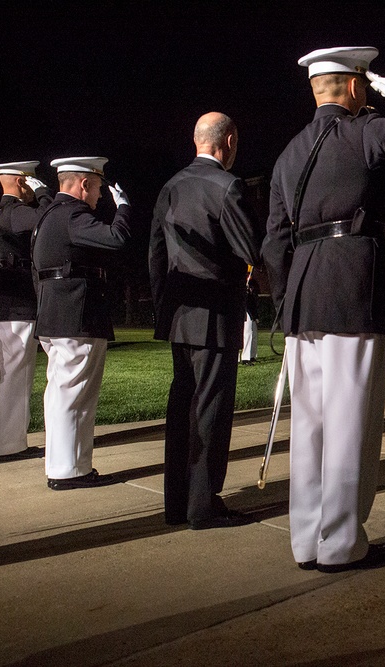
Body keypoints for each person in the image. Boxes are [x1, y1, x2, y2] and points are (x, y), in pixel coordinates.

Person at [262, 46, 385, 572]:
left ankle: (307, 540)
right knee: (350, 419)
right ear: (355, 86)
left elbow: (272, 244)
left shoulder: (288, 153)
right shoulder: (366, 132)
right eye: (365, 86)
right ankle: (343, 543)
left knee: (309, 426)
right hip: (351, 284)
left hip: (303, 297)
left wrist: (286, 302)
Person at [149, 112, 263, 529]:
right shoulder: (227, 186)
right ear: (228, 141)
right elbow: (251, 249)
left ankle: (176, 504)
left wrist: (165, 311)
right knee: (211, 411)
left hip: (181, 314)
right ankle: (203, 506)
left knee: (182, 409)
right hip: (215, 312)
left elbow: (156, 257)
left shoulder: (171, 186)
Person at [32, 156, 134, 490]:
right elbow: (116, 238)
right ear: (84, 184)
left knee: (61, 395)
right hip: (77, 314)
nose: (101, 196)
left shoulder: (47, 216)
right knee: (75, 397)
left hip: (55, 314)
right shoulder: (73, 214)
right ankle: (69, 470)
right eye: (99, 188)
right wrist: (125, 208)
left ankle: (62, 465)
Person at [0, 161, 52, 461]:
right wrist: (46, 195)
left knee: (6, 377)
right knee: (16, 377)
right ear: (23, 182)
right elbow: (51, 221)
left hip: (0, 307)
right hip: (17, 307)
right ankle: (10, 446)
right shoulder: (17, 213)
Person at [241, 277, 260, 365]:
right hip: (246, 311)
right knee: (247, 334)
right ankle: (245, 358)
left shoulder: (253, 285)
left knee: (253, 335)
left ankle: (252, 355)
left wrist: (256, 316)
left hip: (251, 313)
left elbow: (253, 303)